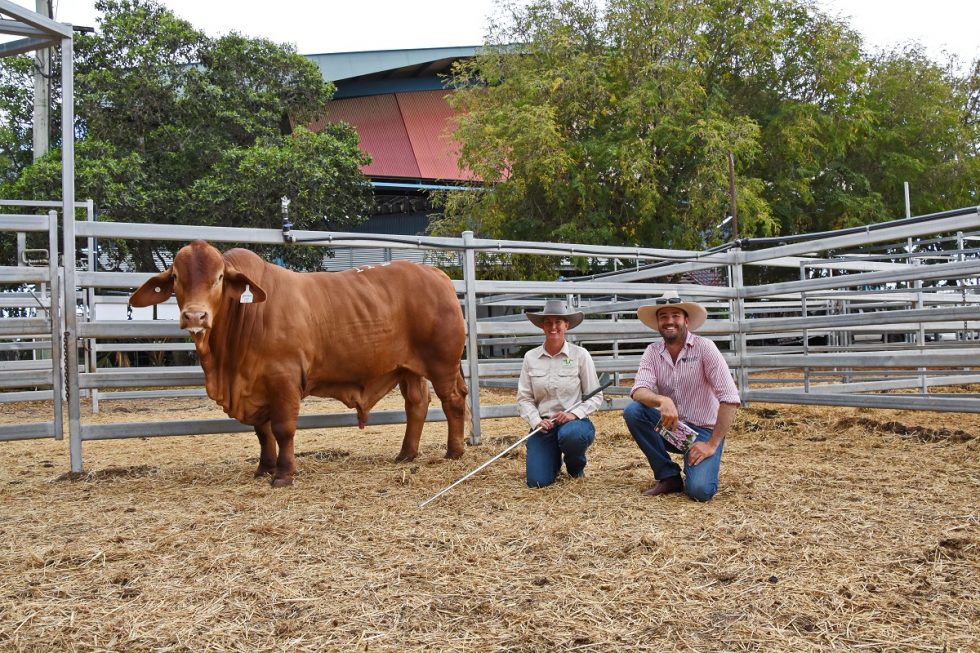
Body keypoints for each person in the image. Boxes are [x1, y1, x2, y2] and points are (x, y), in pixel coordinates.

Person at [623, 290, 740, 501]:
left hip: (704, 430)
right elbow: (638, 390)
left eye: (675, 316)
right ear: (658, 323)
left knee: (700, 491)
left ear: (686, 320)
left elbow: (730, 398)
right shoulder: (652, 351)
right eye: (663, 317)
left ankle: (697, 461)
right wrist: (662, 400)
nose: (670, 321)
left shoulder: (705, 348)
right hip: (673, 427)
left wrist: (712, 443)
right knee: (634, 412)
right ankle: (669, 476)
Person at [517, 299, 603, 488]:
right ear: (542, 326)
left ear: (567, 325)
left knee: (572, 436)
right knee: (537, 482)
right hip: (544, 426)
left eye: (558, 322)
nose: (553, 327)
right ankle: (552, 460)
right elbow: (524, 399)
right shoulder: (530, 357)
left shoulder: (580, 355)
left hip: (574, 424)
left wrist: (573, 414)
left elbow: (595, 395)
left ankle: (575, 466)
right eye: (548, 322)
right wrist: (536, 421)